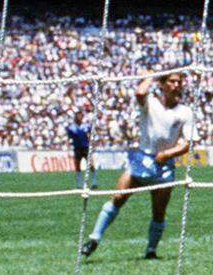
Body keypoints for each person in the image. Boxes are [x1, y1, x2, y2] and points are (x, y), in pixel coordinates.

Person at [81, 72, 196, 260]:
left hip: (164, 166)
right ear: (162, 84)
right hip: (141, 159)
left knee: (159, 212)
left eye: (179, 82)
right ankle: (94, 239)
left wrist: (167, 153)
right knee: (118, 197)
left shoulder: (185, 112)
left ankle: (151, 250)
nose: (177, 85)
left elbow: (189, 143)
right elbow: (139, 92)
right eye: (172, 81)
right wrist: (152, 76)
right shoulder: (150, 103)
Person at [66, 111, 96, 189]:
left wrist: (92, 145)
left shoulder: (86, 126)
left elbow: (90, 136)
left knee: (91, 165)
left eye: (81, 116)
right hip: (77, 148)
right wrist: (68, 148)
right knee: (77, 166)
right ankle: (79, 185)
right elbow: (69, 138)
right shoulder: (71, 128)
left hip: (86, 148)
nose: (80, 117)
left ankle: (94, 183)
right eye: (78, 116)